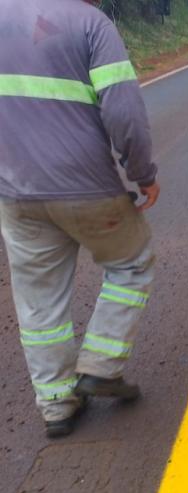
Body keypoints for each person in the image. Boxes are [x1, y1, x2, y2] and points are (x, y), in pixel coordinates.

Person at [0, 0, 159, 438]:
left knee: (38, 298)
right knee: (132, 263)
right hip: (88, 188)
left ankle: (55, 403)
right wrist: (143, 174)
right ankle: (101, 365)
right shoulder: (90, 23)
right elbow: (124, 111)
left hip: (15, 191)